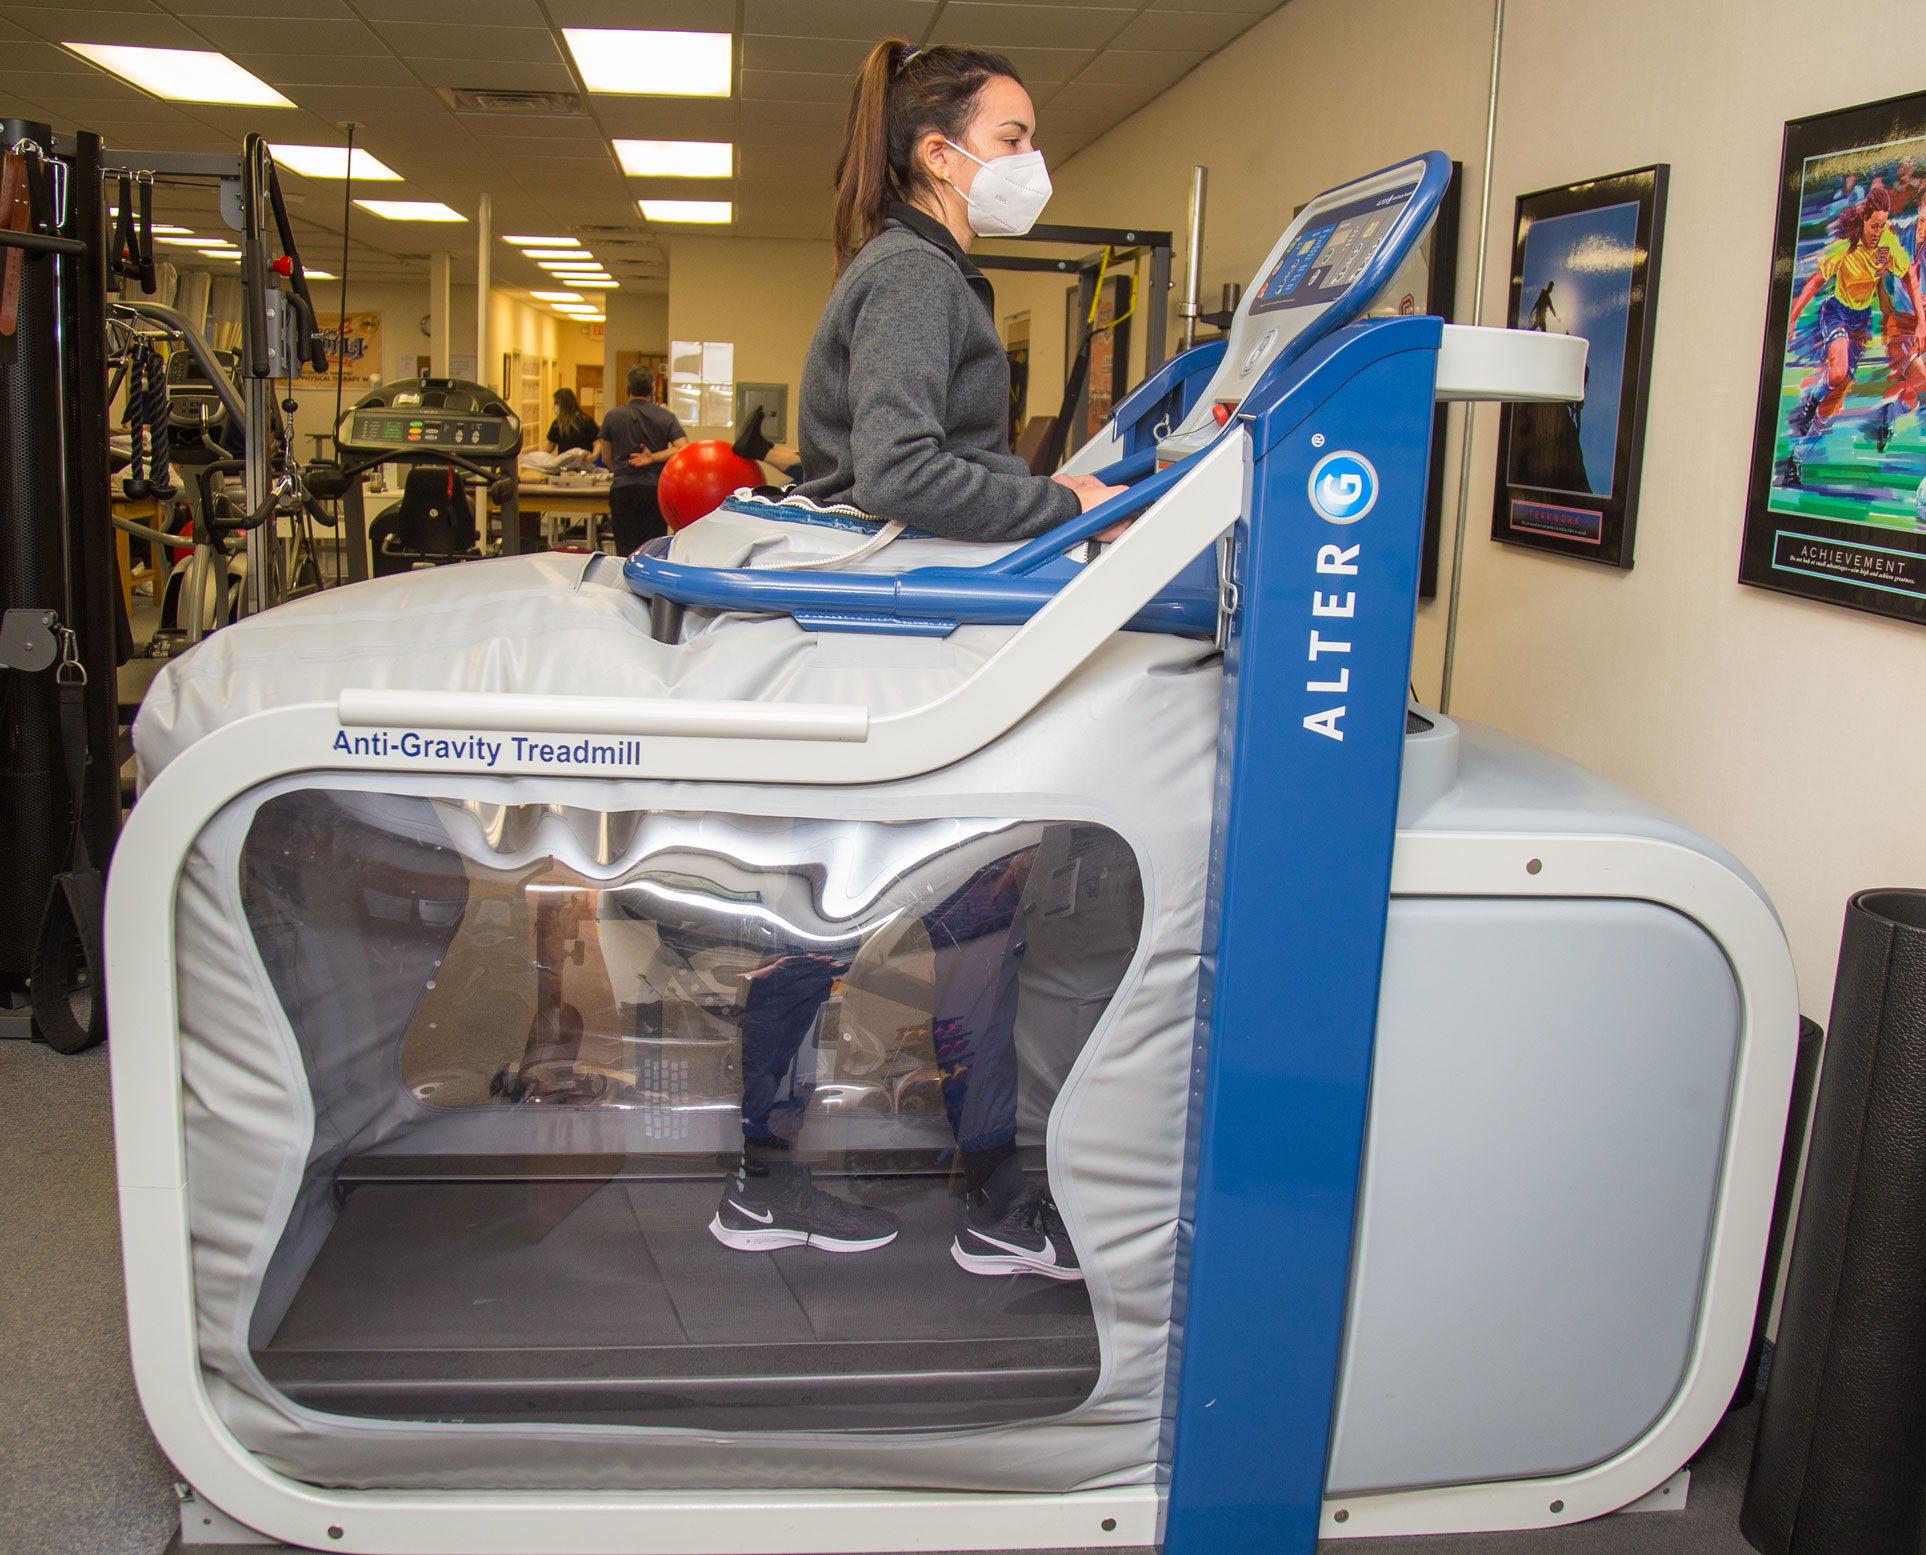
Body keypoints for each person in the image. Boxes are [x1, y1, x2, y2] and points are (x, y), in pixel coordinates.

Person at [788, 38, 1127, 539]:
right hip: (894, 559)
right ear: (939, 156)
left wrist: (1041, 489)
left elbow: (947, 456)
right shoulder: (913, 272)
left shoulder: (924, 265)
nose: (1032, 160)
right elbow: (899, 476)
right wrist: (1063, 505)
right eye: (1012, 141)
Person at [710, 844, 1080, 1280]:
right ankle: (996, 1206)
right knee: (976, 940)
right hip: (915, 800)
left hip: (876, 795)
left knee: (809, 942)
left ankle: (762, 1180)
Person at [1787, 185, 1926, 439]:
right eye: (1874, 225)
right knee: (1839, 373)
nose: (1878, 232)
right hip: (1853, 314)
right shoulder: (1853, 243)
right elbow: (1816, 281)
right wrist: (1793, 317)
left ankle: (1877, 412)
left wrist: (1921, 321)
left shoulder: (1887, 241)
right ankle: (1811, 405)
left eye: (1882, 226)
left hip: (1862, 321)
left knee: (1850, 386)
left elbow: (1908, 277)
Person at [595, 365, 689, 553]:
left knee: (625, 548)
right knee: (652, 548)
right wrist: (652, 458)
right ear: (653, 389)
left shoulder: (613, 417)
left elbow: (606, 457)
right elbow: (683, 447)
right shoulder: (666, 417)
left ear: (627, 388)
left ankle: (624, 581)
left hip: (623, 490)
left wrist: (622, 470)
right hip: (655, 490)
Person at [545, 388, 599, 456]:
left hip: (583, 462)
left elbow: (597, 443)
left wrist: (593, 456)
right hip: (564, 463)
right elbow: (550, 445)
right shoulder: (557, 423)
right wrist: (537, 456)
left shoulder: (586, 421)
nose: (555, 406)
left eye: (556, 403)